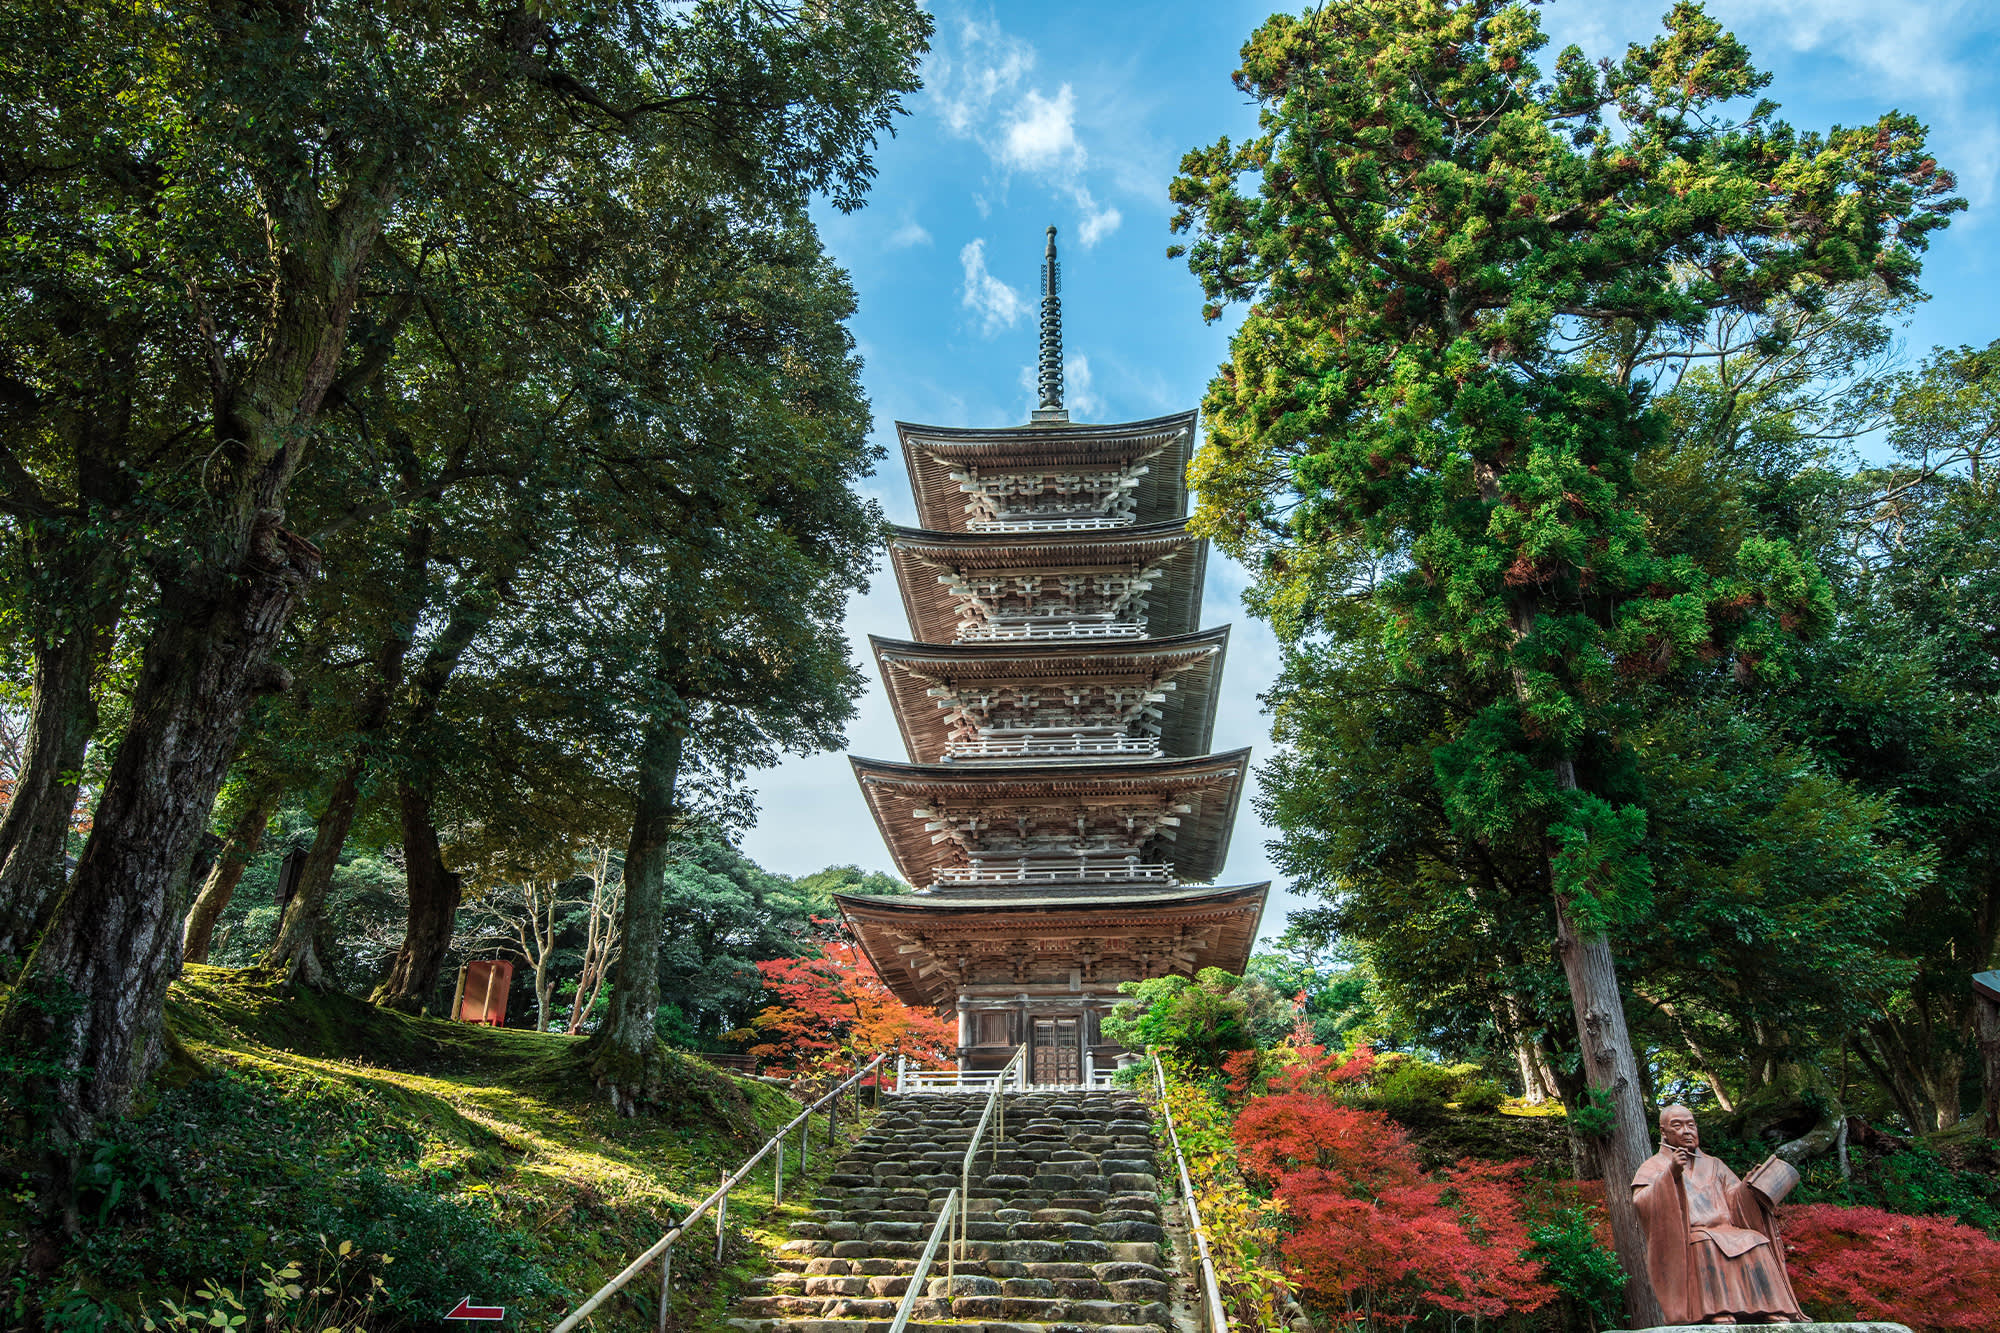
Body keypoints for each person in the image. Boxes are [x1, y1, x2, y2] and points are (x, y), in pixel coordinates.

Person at [1630, 1104, 1810, 1325]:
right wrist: (1671, 1174)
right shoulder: (1653, 1166)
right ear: (1664, 1132)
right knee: (1705, 1240)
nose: (1687, 1130)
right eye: (1677, 1126)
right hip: (1691, 1233)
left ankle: (1770, 1307)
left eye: (1691, 1124)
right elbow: (1641, 1201)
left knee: (1756, 1239)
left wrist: (1749, 1187)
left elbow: (1734, 1199)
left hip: (1726, 1228)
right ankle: (1714, 1310)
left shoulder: (1716, 1164)